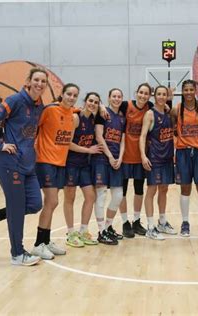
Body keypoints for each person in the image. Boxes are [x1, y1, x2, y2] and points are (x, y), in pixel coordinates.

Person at [0, 67, 48, 266]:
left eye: (43, 81)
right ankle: (17, 254)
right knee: (17, 209)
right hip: (10, 164)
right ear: (28, 80)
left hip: (28, 166)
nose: (40, 84)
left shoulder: (39, 104)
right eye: (36, 80)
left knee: (35, 204)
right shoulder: (15, 100)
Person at [31, 83, 78, 259]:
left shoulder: (72, 115)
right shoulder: (49, 110)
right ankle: (38, 244)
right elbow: (33, 128)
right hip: (45, 161)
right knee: (51, 201)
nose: (71, 97)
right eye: (69, 94)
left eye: (74, 95)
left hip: (61, 163)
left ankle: (46, 240)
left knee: (53, 203)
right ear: (62, 94)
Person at [170, 79, 198, 237]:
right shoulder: (177, 109)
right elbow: (167, 118)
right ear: (182, 91)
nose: (188, 92)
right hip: (183, 152)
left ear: (195, 90)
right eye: (185, 90)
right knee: (185, 188)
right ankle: (185, 222)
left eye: (191, 89)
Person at [63, 92, 103, 248]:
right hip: (71, 163)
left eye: (96, 102)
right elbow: (68, 144)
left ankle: (83, 231)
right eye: (90, 101)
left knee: (90, 196)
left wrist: (102, 107)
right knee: (70, 198)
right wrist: (88, 150)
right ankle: (71, 233)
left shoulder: (93, 119)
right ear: (85, 101)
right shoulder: (76, 117)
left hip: (84, 165)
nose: (92, 103)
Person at [139, 85, 176, 240]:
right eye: (159, 94)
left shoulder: (168, 112)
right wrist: (143, 156)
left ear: (167, 96)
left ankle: (162, 221)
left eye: (164, 94)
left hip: (167, 158)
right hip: (154, 158)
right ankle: (150, 226)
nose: (161, 97)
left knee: (164, 190)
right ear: (154, 96)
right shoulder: (150, 114)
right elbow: (142, 136)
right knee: (151, 191)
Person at [118, 83, 154, 238]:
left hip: (140, 156)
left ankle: (137, 221)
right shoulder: (126, 105)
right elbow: (108, 111)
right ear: (136, 93)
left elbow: (163, 109)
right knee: (123, 191)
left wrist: (168, 104)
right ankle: (125, 222)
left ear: (149, 96)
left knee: (139, 190)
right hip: (125, 155)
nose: (143, 96)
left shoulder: (150, 107)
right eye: (141, 92)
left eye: (146, 94)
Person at [93, 88, 127, 245]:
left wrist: (119, 157)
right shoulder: (102, 113)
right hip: (101, 159)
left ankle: (108, 227)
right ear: (108, 98)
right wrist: (110, 156)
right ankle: (101, 231)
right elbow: (99, 136)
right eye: (113, 96)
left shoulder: (121, 118)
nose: (116, 98)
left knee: (118, 195)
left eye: (119, 96)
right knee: (101, 195)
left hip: (116, 160)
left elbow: (122, 140)